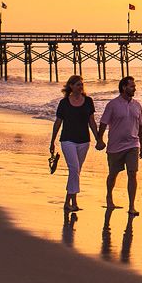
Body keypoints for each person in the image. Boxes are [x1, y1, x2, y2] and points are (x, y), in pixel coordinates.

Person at [49, 75, 103, 213]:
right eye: (78, 84)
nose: (81, 87)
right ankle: (73, 201)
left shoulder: (88, 101)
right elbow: (58, 123)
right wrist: (52, 142)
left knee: (76, 171)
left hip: (84, 140)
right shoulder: (64, 103)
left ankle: (68, 201)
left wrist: (98, 139)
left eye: (82, 85)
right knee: (74, 169)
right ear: (71, 86)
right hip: (67, 140)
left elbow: (91, 121)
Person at [98, 75, 142, 215]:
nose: (134, 89)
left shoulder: (137, 105)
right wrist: (99, 139)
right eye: (132, 86)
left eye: (134, 86)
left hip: (133, 144)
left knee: (132, 173)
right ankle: (109, 196)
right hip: (115, 145)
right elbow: (103, 123)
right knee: (113, 174)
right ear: (124, 87)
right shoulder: (112, 105)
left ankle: (131, 206)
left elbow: (141, 126)